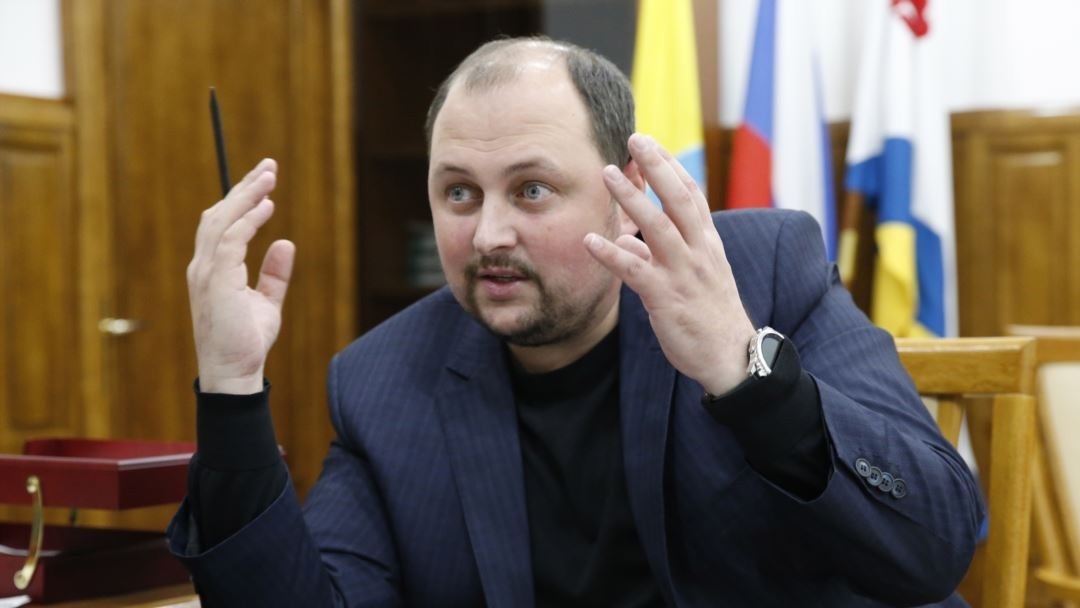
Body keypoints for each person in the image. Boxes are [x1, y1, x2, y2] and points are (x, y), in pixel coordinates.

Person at [169, 37, 984, 607]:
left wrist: (745, 371)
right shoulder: (383, 381)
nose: (488, 235)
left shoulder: (761, 273)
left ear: (626, 191)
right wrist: (232, 391)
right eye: (459, 193)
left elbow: (935, 545)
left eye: (531, 190)